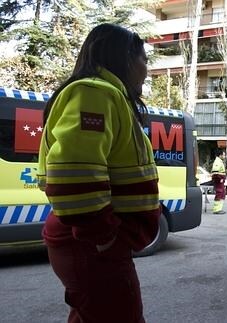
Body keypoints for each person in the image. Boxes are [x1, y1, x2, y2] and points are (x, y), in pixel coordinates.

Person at [37, 24, 160, 323]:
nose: (147, 70)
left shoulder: (105, 94)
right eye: (144, 60)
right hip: (92, 246)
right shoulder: (94, 93)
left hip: (91, 244)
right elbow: (75, 173)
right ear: (126, 58)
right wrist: (103, 237)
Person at [211, 149, 227, 214]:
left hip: (221, 181)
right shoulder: (217, 162)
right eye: (224, 155)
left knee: (222, 194)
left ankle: (219, 208)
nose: (224, 156)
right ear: (220, 155)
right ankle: (216, 209)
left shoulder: (219, 161)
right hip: (219, 181)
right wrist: (220, 179)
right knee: (219, 193)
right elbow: (215, 173)